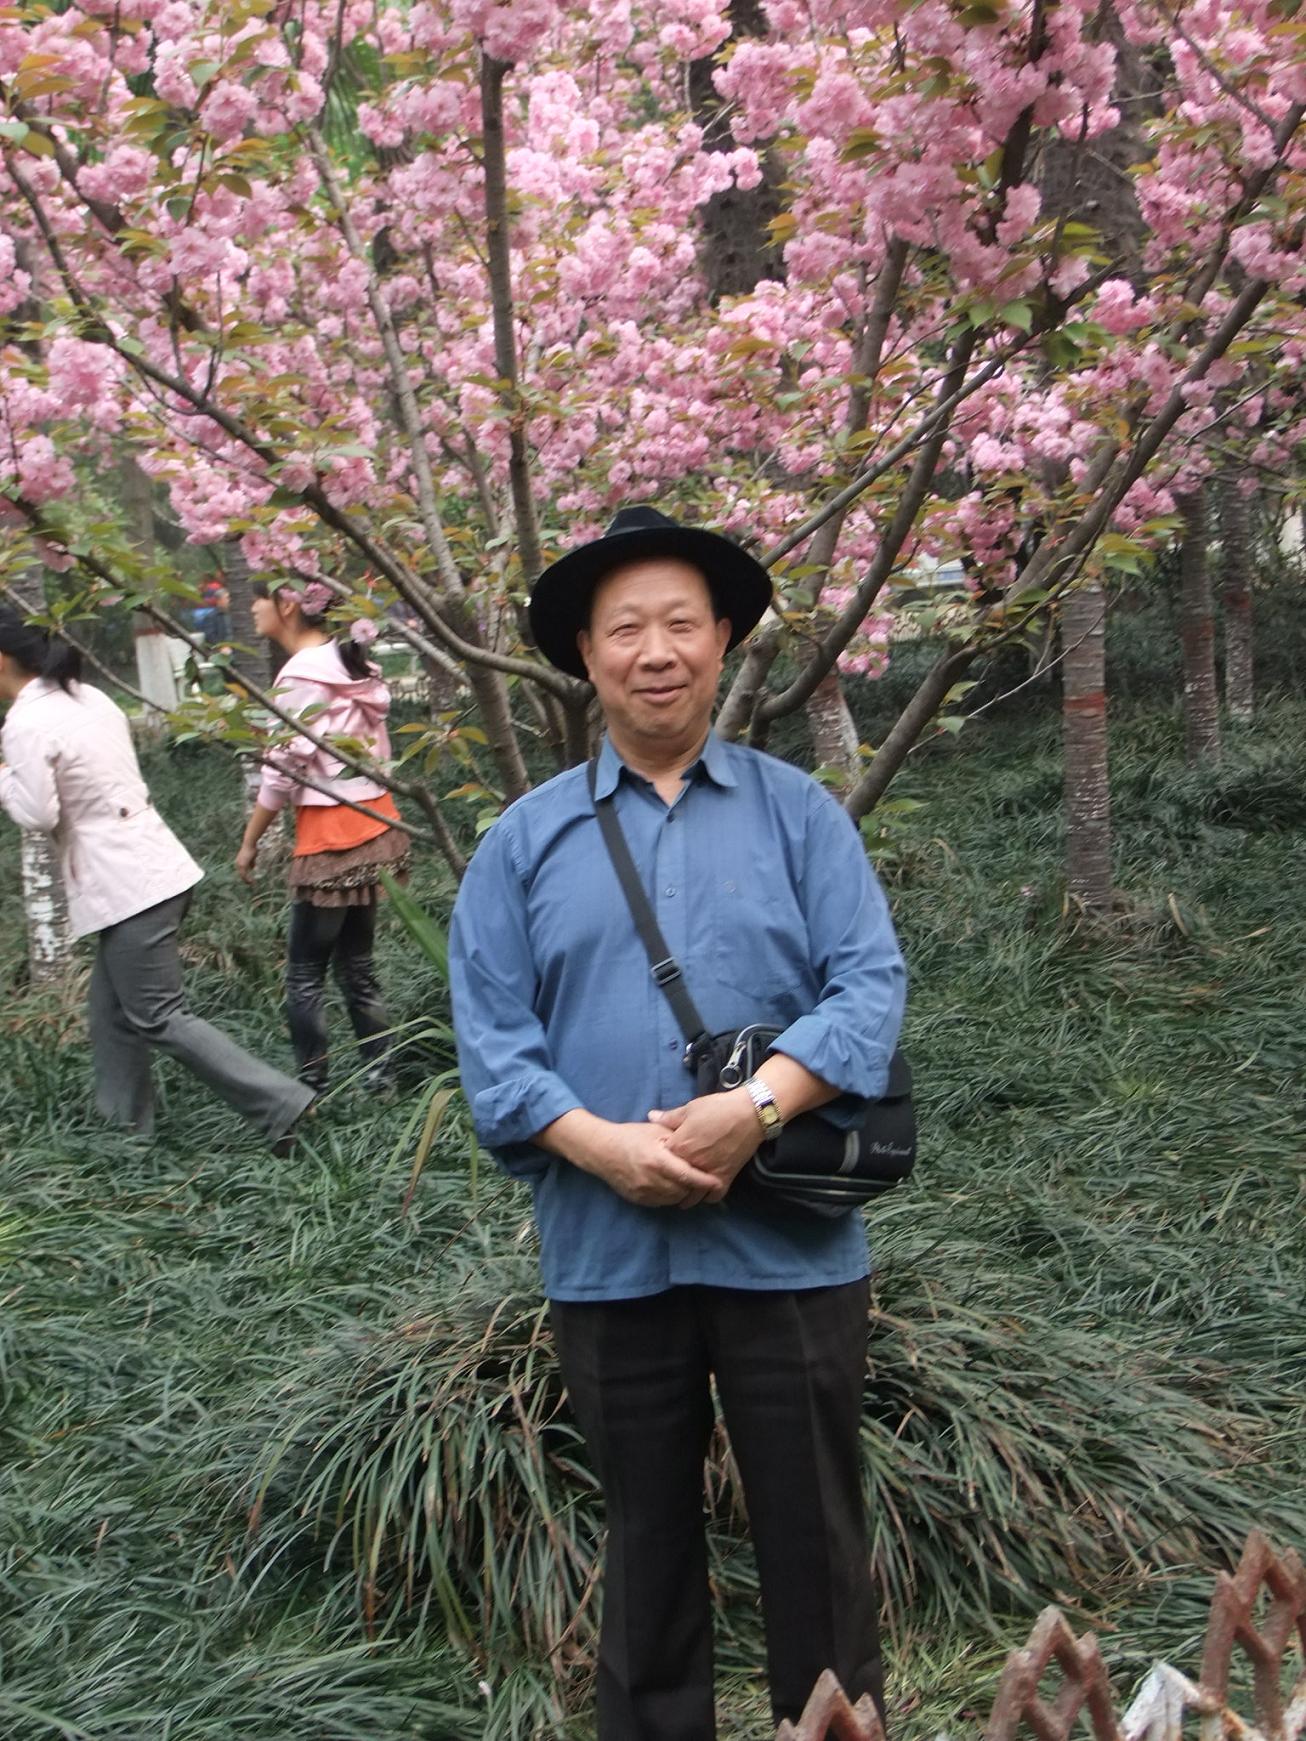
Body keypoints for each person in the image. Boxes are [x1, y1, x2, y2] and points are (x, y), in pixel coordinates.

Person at [449, 505, 907, 1738]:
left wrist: (756, 1109)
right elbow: (493, 1041)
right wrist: (603, 1146)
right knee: (644, 1542)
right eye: (625, 629)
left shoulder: (797, 813)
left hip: (790, 1250)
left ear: (721, 644)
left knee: (815, 1529)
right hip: (611, 1252)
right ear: (588, 655)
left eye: (680, 624)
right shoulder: (523, 842)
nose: (655, 651)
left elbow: (871, 983)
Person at [0, 605, 313, 1147]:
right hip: (151, 868)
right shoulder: (86, 696)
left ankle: (283, 1105)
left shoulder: (27, 722)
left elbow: (36, 813)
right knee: (111, 1012)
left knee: (158, 1016)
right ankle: (123, 1131)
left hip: (128, 885)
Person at [235, 579, 407, 1094]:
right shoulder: (351, 664)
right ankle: (381, 1078)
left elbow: (281, 774)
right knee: (357, 963)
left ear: (287, 605)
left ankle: (312, 1089)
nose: (252, 608)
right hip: (377, 822)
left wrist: (248, 843)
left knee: (305, 973)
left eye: (258, 598)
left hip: (331, 836)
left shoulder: (301, 675)